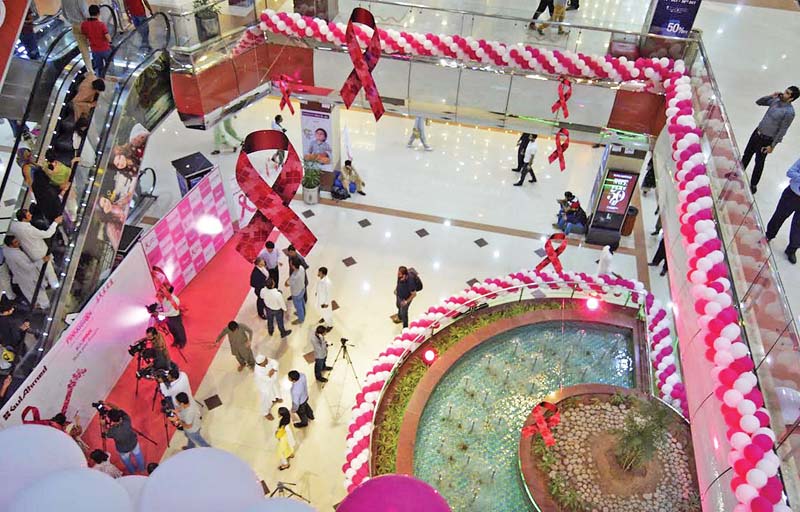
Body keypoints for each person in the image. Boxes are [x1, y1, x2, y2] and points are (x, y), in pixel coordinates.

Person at [742, 86, 798, 194]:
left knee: (759, 162)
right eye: (785, 90)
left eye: (787, 93)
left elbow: (782, 130)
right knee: (746, 154)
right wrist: (771, 95)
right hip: (757, 133)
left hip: (766, 140)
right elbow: (759, 102)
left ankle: (753, 184)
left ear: (791, 98)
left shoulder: (789, 113)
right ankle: (737, 173)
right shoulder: (776, 100)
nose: (783, 93)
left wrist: (772, 146)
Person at [9, 209, 62, 289]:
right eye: (28, 215)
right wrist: (55, 223)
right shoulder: (29, 230)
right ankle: (55, 286)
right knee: (49, 272)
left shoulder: (14, 226)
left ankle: (50, 284)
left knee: (45, 271)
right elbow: (48, 234)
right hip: (40, 253)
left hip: (33, 253)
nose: (31, 215)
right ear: (24, 219)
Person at [766, 158, 800, 264]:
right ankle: (769, 235)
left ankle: (792, 249)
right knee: (779, 216)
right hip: (792, 195)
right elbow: (790, 172)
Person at [2, 235, 50, 308]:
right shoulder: (15, 255)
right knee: (39, 293)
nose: (18, 242)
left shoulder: (6, 250)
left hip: (21, 277)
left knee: (29, 293)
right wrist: (42, 260)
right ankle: (45, 306)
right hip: (27, 277)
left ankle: (37, 306)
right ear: (11, 245)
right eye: (15, 242)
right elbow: (28, 267)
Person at [102, 406, 145, 474]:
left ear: (112, 421)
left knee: (127, 461)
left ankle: (132, 472)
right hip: (133, 443)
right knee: (139, 456)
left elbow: (105, 434)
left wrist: (103, 425)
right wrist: (107, 404)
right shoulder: (127, 420)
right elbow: (118, 409)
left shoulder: (112, 431)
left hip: (122, 449)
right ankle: (142, 468)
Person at [81, 5, 113, 78]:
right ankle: (110, 78)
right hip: (105, 48)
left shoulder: (84, 24)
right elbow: (107, 36)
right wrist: (110, 42)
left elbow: (84, 35)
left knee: (98, 67)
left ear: (89, 13)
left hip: (95, 50)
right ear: (98, 13)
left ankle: (100, 79)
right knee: (110, 65)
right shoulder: (101, 24)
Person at [62, 0, 93, 73]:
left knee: (83, 49)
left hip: (74, 25)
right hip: (84, 24)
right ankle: (100, 63)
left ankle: (90, 70)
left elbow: (63, 12)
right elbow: (85, 12)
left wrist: (71, 21)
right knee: (94, 44)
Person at [254, 354, 282, 420]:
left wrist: (273, 369)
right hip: (265, 387)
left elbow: (275, 362)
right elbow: (268, 379)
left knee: (275, 390)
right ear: (261, 364)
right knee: (266, 400)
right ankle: (265, 413)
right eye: (265, 360)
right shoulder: (258, 372)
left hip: (272, 383)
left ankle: (276, 398)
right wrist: (271, 374)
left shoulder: (266, 360)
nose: (268, 360)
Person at [286, 256, 307, 325]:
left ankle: (301, 319)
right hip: (302, 288)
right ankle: (303, 313)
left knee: (298, 306)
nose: (290, 264)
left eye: (291, 264)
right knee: (302, 301)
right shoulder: (301, 268)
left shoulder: (294, 277)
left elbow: (286, 284)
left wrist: (287, 280)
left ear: (294, 266)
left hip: (296, 293)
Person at [316, 266, 333, 331]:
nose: (318, 273)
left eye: (319, 272)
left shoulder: (327, 283)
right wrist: (317, 292)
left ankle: (330, 325)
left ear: (323, 273)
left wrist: (326, 304)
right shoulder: (321, 279)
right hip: (321, 299)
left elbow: (329, 294)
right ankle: (323, 317)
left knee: (328, 314)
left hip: (325, 302)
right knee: (323, 312)